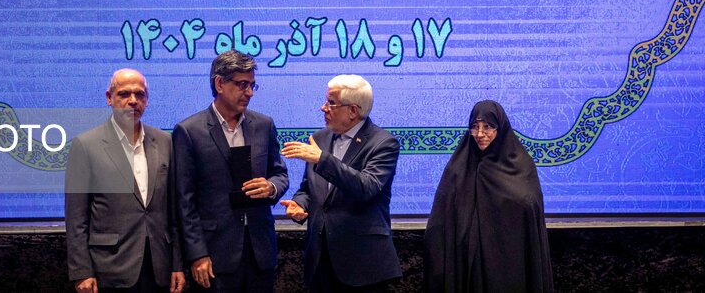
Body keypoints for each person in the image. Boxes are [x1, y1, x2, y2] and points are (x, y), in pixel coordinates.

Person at [172, 50, 289, 292]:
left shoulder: (263, 125)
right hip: (215, 253)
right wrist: (197, 254)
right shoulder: (189, 131)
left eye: (252, 85)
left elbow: (280, 174)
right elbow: (184, 201)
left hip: (260, 251)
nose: (249, 92)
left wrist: (271, 187)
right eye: (242, 84)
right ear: (219, 84)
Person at [65, 68, 186, 293]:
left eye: (140, 94)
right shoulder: (85, 145)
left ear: (147, 100)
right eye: (124, 94)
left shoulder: (165, 141)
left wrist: (178, 264)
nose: (133, 101)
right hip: (110, 267)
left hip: (159, 266)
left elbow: (174, 211)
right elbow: (76, 219)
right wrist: (82, 271)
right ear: (109, 98)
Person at [280, 74, 402, 292]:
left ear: (353, 110)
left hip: (362, 264)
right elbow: (309, 188)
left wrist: (322, 159)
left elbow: (366, 187)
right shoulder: (320, 139)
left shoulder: (383, 143)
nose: (323, 108)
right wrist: (300, 203)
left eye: (331, 103)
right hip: (320, 260)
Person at [423, 100, 553, 293]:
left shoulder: (521, 166)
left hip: (510, 264)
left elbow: (529, 208)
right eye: (475, 127)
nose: (480, 134)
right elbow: (439, 221)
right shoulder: (458, 168)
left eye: (488, 127)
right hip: (467, 267)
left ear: (501, 128)